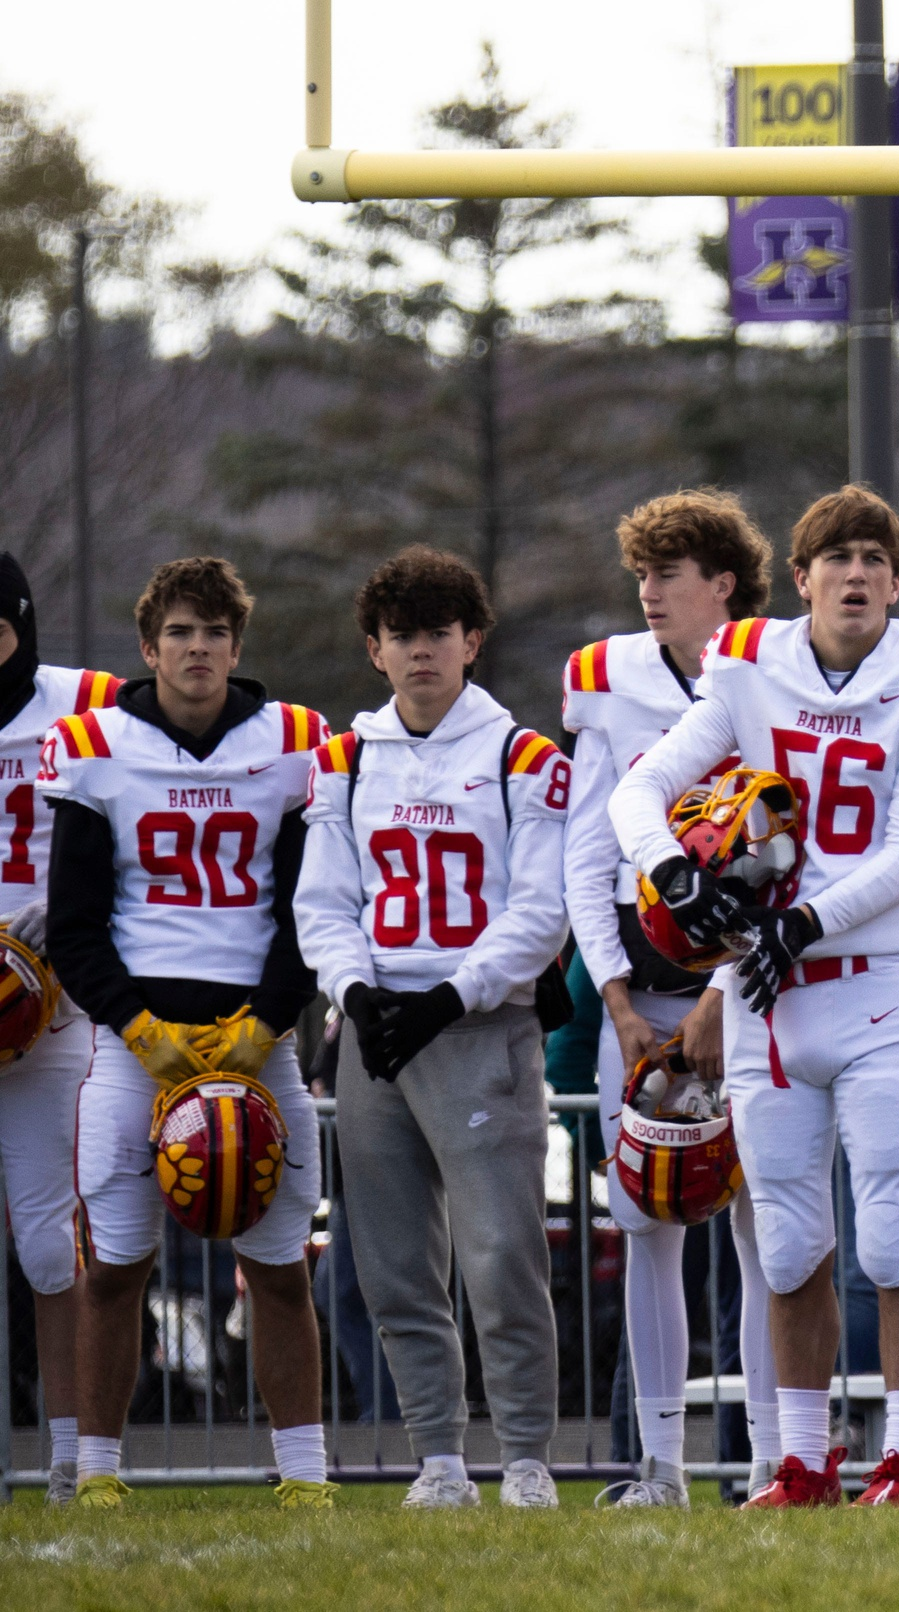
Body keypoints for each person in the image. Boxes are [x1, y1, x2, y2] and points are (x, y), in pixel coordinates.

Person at [613, 483, 899, 1507]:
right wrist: (672, 873)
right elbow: (636, 787)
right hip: (768, 994)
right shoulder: (748, 663)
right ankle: (803, 1456)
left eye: (876, 557)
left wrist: (802, 921)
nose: (857, 572)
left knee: (887, 1229)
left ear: (898, 579)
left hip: (872, 985)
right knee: (784, 1238)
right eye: (838, 556)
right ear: (802, 576)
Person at [42, 558, 333, 1506]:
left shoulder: (294, 741)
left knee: (280, 1268)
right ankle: (97, 1473)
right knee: (116, 1266)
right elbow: (75, 922)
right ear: (147, 646)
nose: (196, 649)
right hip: (136, 1049)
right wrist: (135, 1025)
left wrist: (270, 1020)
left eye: (212, 632)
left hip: (260, 1038)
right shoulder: (93, 742)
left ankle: (306, 1476)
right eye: (179, 632)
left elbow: (310, 906)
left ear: (236, 647)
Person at [294, 546, 575, 1507]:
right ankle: (440, 1460)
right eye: (402, 634)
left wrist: (453, 994)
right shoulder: (344, 757)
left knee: (502, 1255)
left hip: (479, 1026)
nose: (422, 651)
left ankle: (529, 1455)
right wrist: (353, 990)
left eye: (439, 633)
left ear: (472, 643)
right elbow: (324, 900)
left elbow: (544, 908)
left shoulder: (523, 756)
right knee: (394, 1261)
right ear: (375, 649)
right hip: (376, 1035)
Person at [562, 489, 783, 1501]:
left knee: (761, 1225)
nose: (649, 590)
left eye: (669, 572)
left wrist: (721, 996)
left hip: (751, 984)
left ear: (722, 583)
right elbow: (587, 848)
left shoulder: (774, 667)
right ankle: (663, 1465)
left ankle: (779, 1458)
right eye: (641, 572)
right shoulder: (604, 674)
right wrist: (612, 994)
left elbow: (786, 849)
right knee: (645, 1221)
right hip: (636, 984)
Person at [0, 555, 106, 1503]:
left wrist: (66, 911)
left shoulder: (87, 703)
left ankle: (70, 1458)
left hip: (49, 1005)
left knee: (45, 1240)